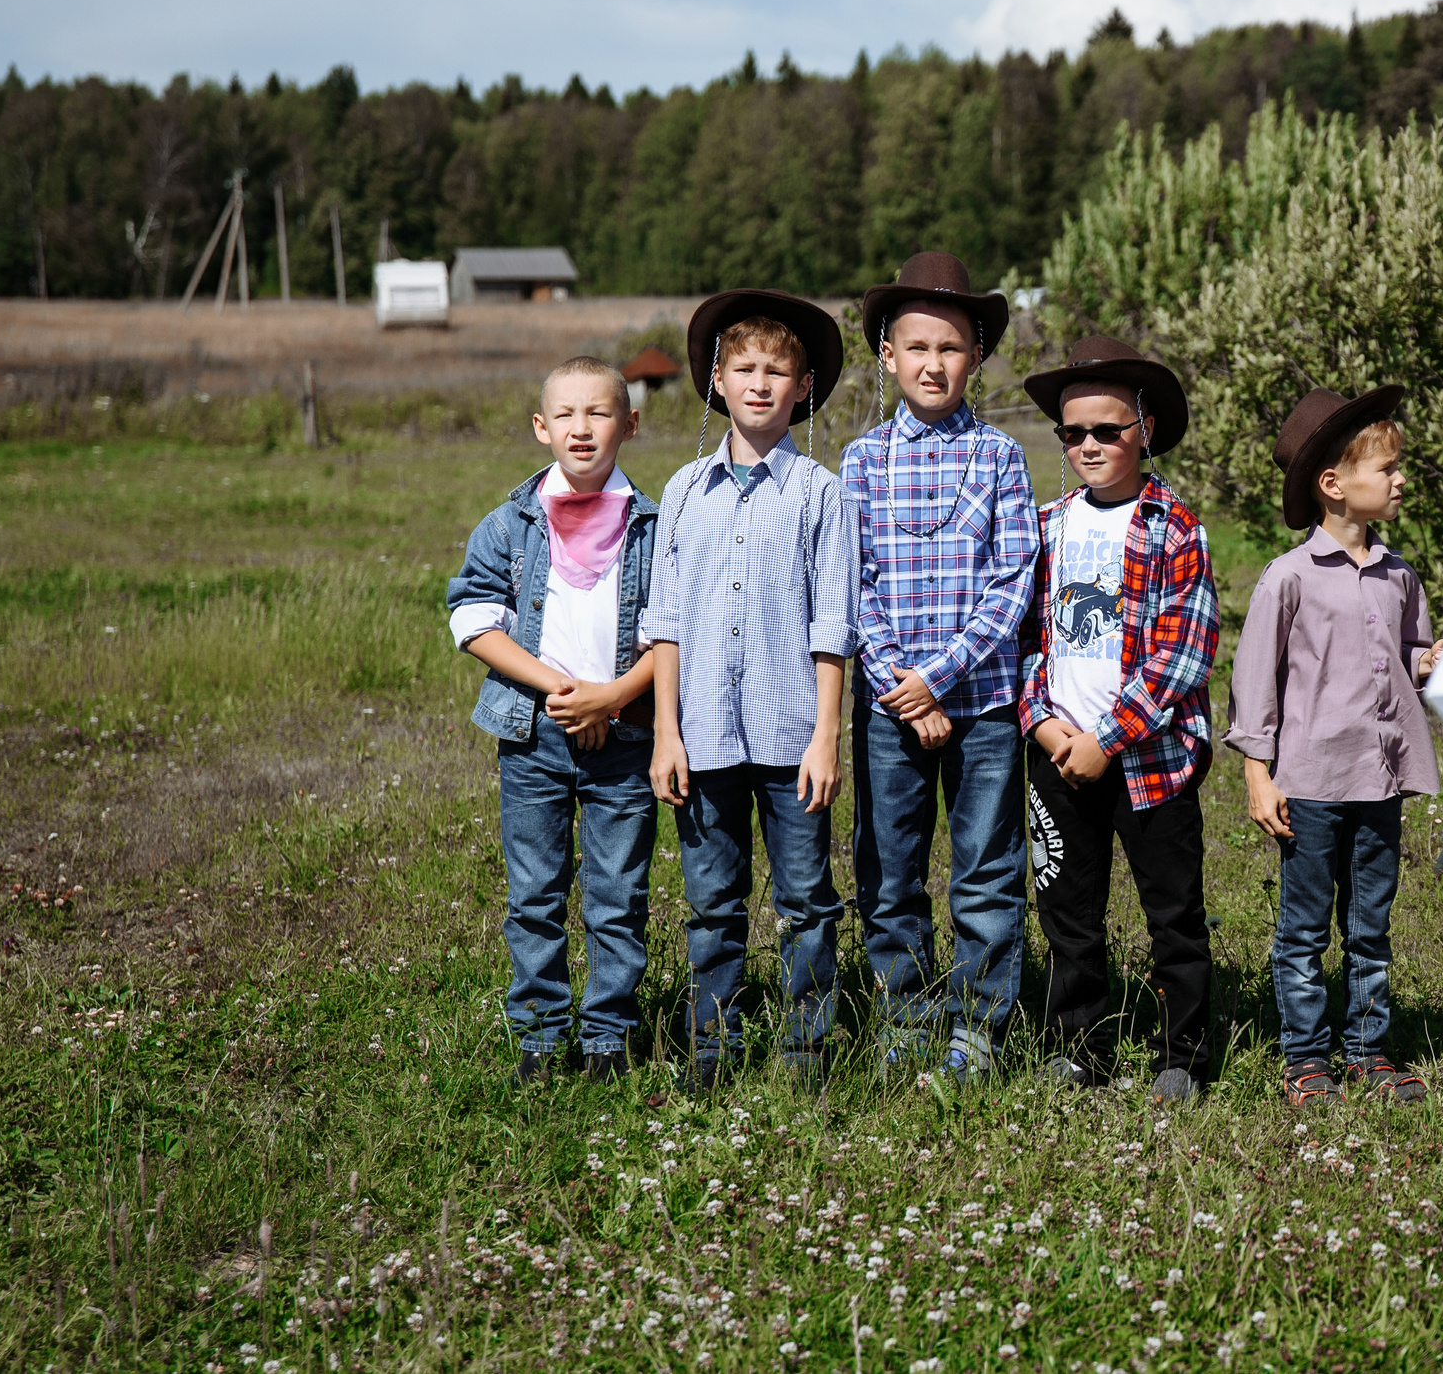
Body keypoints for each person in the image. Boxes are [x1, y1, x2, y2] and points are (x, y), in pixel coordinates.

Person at [645, 292, 858, 1091]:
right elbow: (664, 621)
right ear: (717, 382)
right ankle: (714, 1051)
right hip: (700, 734)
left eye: (778, 371)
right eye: (745, 369)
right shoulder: (684, 492)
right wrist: (667, 732)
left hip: (790, 734)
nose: (761, 383)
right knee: (711, 902)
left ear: (803, 387)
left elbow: (832, 626)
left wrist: (824, 734)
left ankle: (809, 1054)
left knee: (806, 901)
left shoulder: (819, 493)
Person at [841, 251, 1041, 1081]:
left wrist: (942, 676)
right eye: (916, 347)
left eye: (951, 348)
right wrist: (901, 682)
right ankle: (906, 1015)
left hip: (984, 701)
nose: (933, 363)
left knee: (988, 867)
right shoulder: (858, 461)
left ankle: (981, 1027)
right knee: (889, 865)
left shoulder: (999, 459)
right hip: (891, 704)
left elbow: (1013, 579)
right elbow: (852, 587)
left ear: (977, 358)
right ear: (888, 355)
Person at [1015, 336, 1221, 1106]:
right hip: (1059, 751)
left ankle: (1186, 1053)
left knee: (1172, 908)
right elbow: (1028, 636)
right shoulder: (1048, 524)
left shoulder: (1176, 528)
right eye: (1074, 433)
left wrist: (1108, 736)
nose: (1090, 445)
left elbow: (1182, 654)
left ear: (1146, 430)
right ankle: (1079, 1046)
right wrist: (1044, 723)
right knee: (1068, 905)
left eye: (1108, 430)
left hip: (1147, 755)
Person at [446, 356, 663, 1085]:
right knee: (536, 893)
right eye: (565, 414)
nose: (581, 427)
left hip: (626, 739)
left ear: (629, 425)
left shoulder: (654, 528)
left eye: (599, 413)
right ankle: (540, 1035)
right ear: (541, 428)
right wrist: (566, 691)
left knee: (616, 894)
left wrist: (613, 698)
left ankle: (609, 1037)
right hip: (533, 737)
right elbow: (475, 622)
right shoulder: (509, 524)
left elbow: (671, 637)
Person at [1228, 385, 1441, 1107]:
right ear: (1334, 485)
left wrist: (1430, 661)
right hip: (1311, 784)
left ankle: (1367, 1050)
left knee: (1371, 928)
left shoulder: (1400, 575)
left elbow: (1406, 657)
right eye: (1387, 468)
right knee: (1303, 930)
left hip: (1378, 782)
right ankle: (1305, 1058)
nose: (1399, 478)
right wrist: (1259, 773)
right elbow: (1254, 682)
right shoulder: (1287, 578)